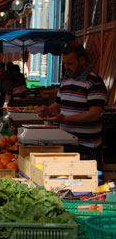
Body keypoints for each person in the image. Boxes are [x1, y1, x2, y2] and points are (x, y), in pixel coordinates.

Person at [36, 42, 107, 171]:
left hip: (87, 149)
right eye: (65, 63)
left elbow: (94, 114)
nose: (66, 67)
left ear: (82, 60)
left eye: (70, 64)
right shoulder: (66, 80)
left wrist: (65, 119)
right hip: (66, 145)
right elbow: (58, 104)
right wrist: (48, 110)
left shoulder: (94, 82)